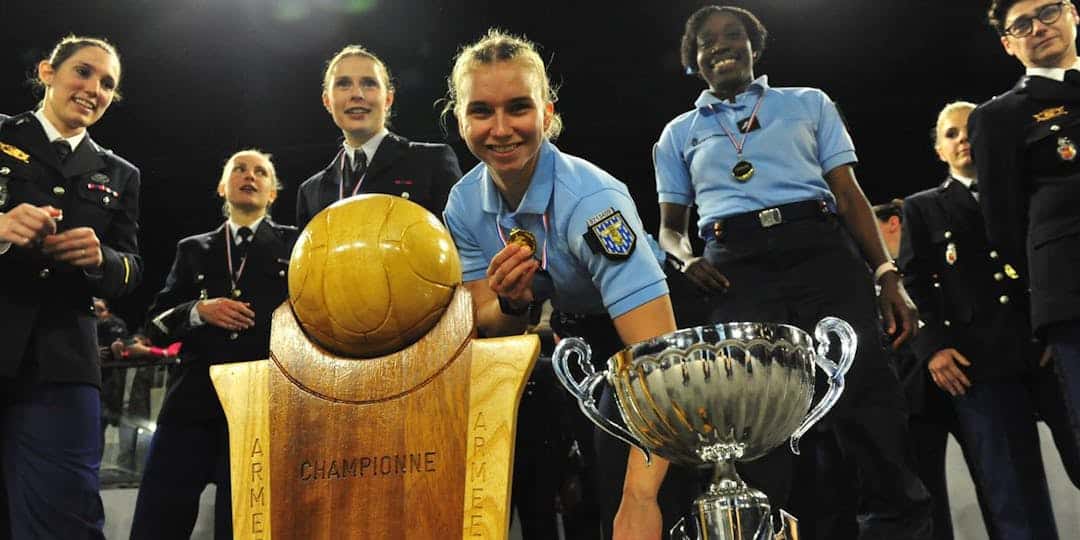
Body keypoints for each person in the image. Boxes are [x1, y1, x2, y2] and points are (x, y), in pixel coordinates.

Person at [653, 6, 931, 539]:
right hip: (736, 268)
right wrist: (687, 260)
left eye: (734, 36)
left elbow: (849, 195)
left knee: (866, 401)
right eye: (707, 42)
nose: (721, 46)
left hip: (820, 252)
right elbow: (669, 228)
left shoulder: (808, 103)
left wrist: (886, 274)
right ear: (693, 61)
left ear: (755, 48)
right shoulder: (677, 134)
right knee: (760, 417)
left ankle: (896, 526)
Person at [440, 29, 680, 540]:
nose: (501, 129)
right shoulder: (463, 204)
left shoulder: (592, 204)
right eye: (481, 111)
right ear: (459, 119)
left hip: (651, 342)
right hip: (572, 336)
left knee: (629, 495)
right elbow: (491, 324)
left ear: (547, 114)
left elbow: (660, 360)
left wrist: (640, 498)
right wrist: (514, 301)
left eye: (518, 108)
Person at [0, 35, 141, 539]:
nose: (94, 89)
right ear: (46, 72)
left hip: (64, 363)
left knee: (67, 515)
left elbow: (132, 268)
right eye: (83, 72)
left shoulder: (121, 173)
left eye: (107, 84)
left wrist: (101, 259)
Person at [902, 101, 1059, 540]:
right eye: (951, 134)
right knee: (1011, 491)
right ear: (939, 150)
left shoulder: (1025, 191)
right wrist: (932, 347)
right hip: (980, 364)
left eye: (971, 129)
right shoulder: (922, 207)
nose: (963, 139)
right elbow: (912, 284)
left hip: (1045, 347)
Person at [131, 150, 298, 539]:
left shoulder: (296, 246)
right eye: (239, 169)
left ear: (273, 192)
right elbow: (155, 326)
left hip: (261, 406)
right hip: (191, 404)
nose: (249, 176)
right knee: (158, 519)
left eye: (261, 172)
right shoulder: (193, 249)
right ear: (223, 186)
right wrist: (198, 310)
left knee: (243, 524)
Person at [971, 0, 1080, 468]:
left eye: (1049, 12)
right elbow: (1004, 224)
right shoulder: (998, 117)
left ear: (1073, 13)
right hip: (1073, 292)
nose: (1039, 27)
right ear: (1008, 44)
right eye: (1022, 25)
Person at [296, 44, 462, 230]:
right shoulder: (310, 191)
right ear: (327, 101)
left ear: (388, 99)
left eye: (369, 83)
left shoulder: (433, 162)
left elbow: (458, 249)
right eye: (343, 84)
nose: (357, 94)